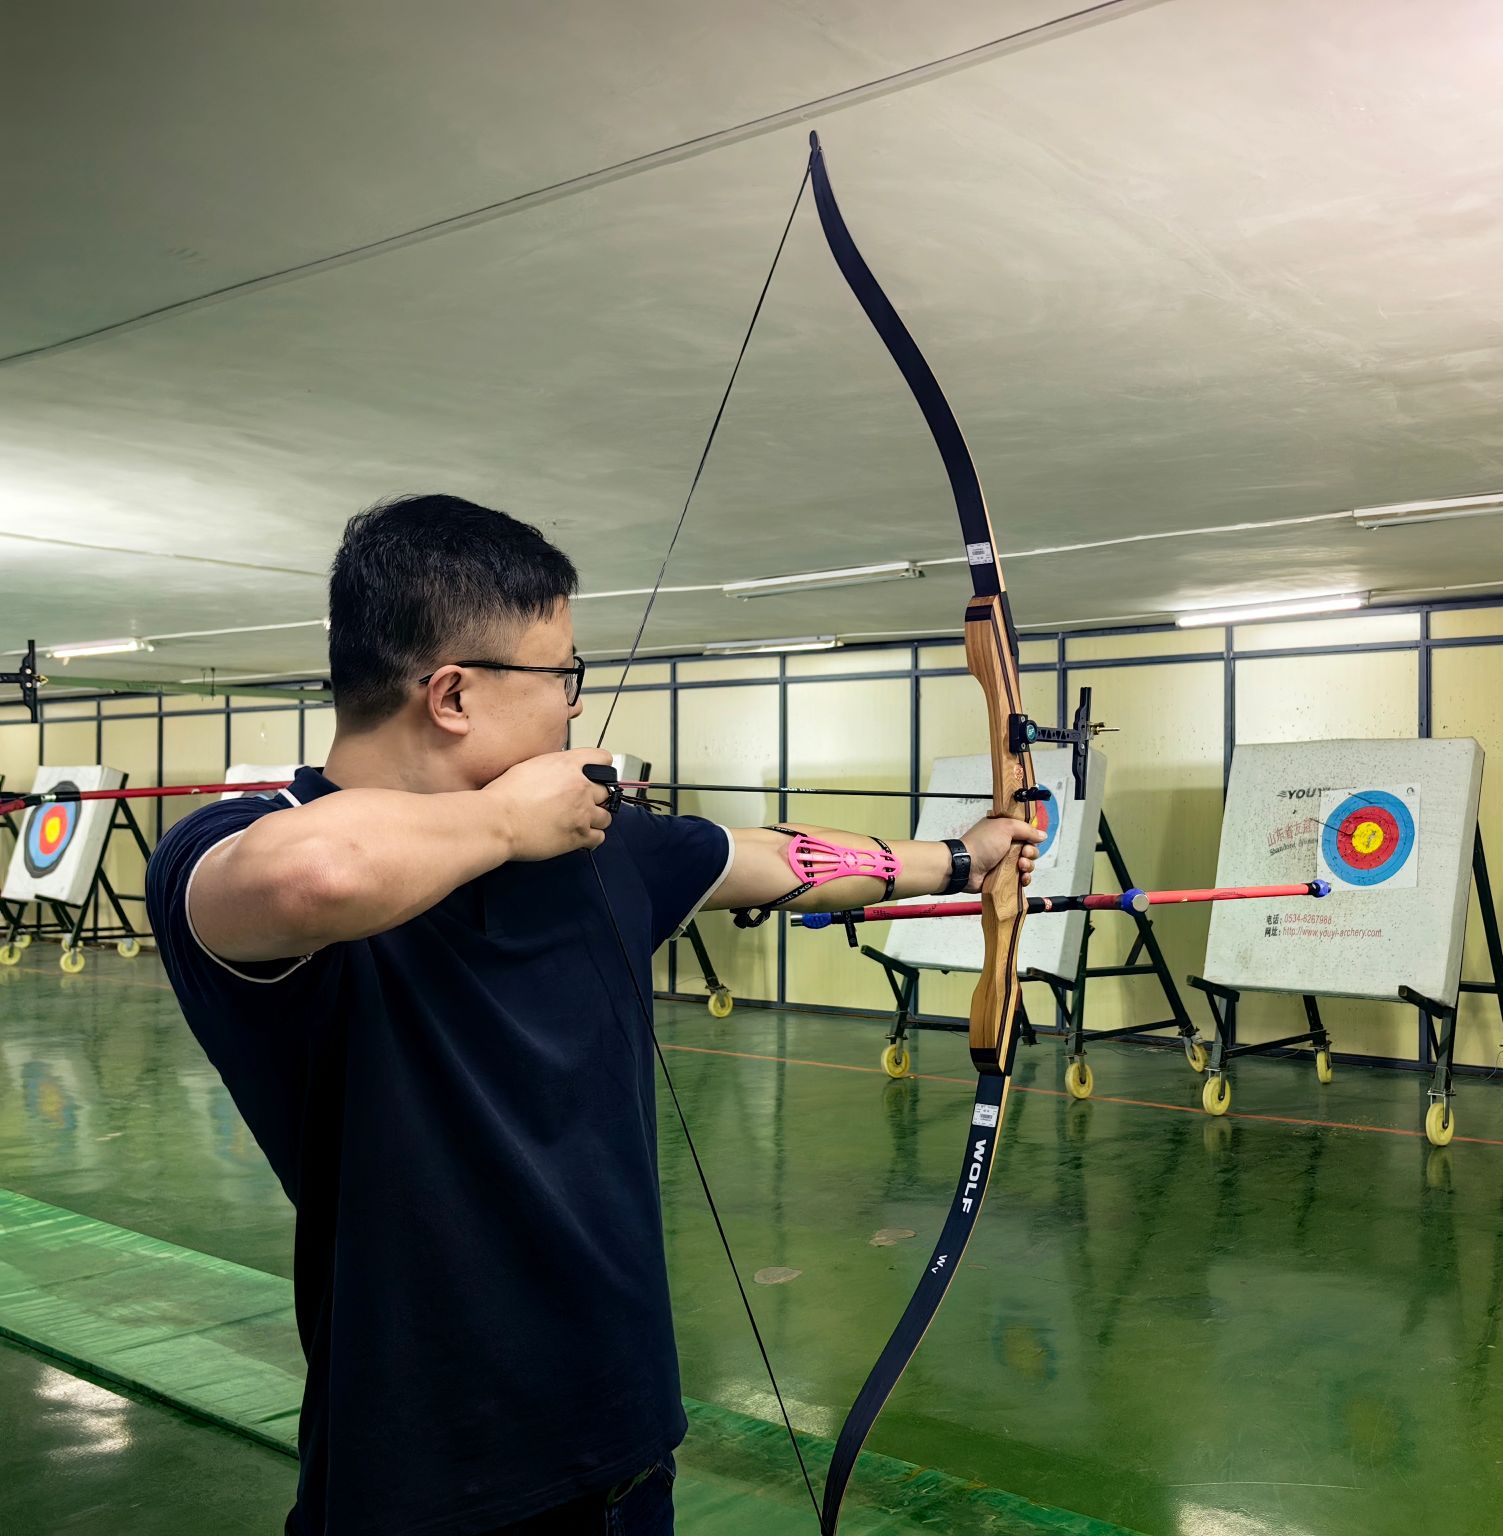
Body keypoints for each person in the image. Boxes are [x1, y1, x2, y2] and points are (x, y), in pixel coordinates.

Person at [144, 494, 1041, 1534]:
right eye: (561, 675)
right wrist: (501, 819)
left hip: (626, 1451)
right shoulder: (236, 845)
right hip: (429, 1478)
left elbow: (774, 859)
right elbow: (318, 877)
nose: (575, 707)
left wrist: (961, 857)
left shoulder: (591, 844)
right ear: (452, 695)